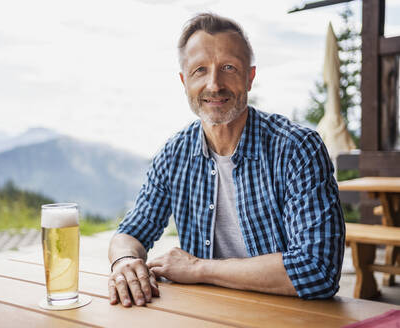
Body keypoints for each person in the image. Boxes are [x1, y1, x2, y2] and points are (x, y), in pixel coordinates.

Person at [108, 12, 345, 307]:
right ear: (184, 81)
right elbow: (130, 232)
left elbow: (318, 271)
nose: (214, 84)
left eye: (229, 68)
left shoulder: (298, 148)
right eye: (199, 70)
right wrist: (124, 261)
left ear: (250, 77)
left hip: (288, 315)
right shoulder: (173, 154)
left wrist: (198, 268)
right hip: (206, 314)